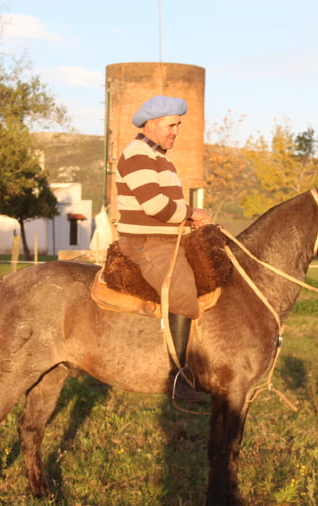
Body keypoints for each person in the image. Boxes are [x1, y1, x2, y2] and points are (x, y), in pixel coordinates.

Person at [114, 94, 212, 400]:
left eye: (179, 125)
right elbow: (155, 205)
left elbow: (167, 207)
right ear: (152, 125)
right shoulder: (138, 155)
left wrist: (189, 222)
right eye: (172, 125)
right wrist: (192, 213)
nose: (177, 132)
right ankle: (177, 378)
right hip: (144, 242)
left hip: (166, 238)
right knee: (182, 291)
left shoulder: (160, 158)